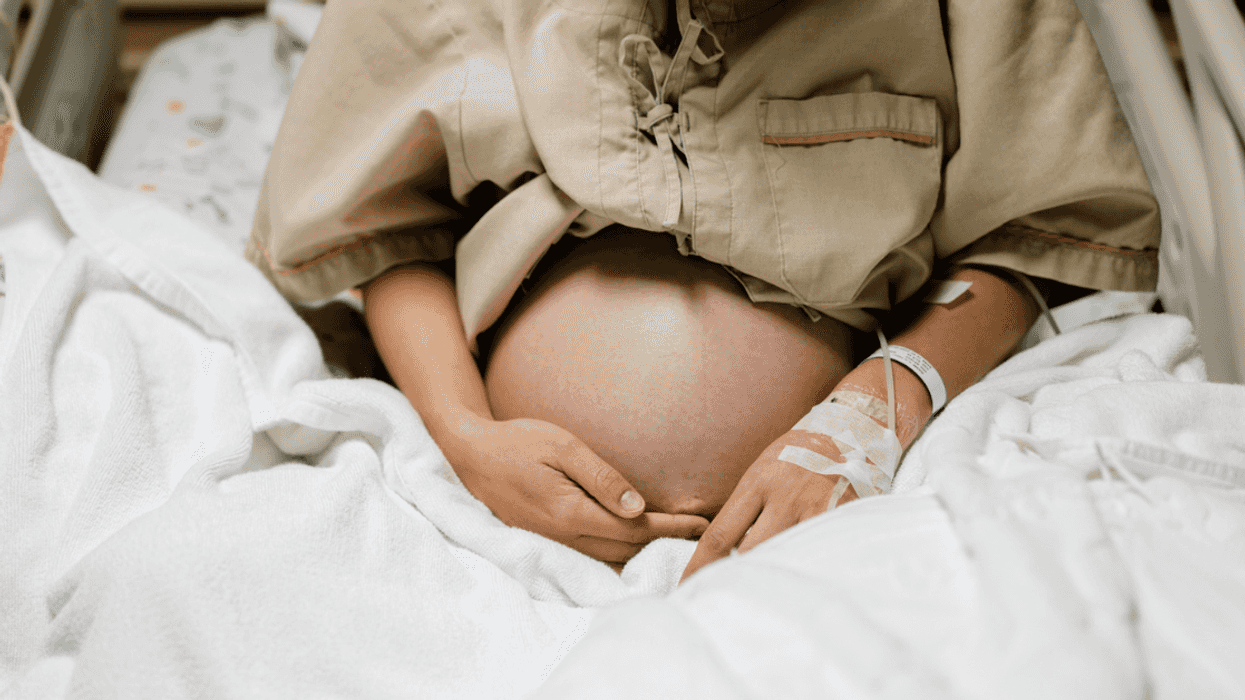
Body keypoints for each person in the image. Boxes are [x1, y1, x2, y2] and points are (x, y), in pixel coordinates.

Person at [246, 0, 1160, 579]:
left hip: (834, 523)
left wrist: (868, 422)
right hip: (489, 512)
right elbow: (383, 230)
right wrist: (465, 436)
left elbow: (1038, 233)